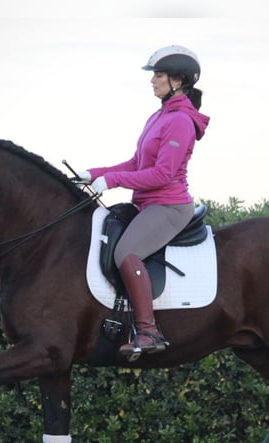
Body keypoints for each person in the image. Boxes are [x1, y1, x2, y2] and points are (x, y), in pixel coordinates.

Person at [78, 45, 210, 360]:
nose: (153, 81)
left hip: (169, 206)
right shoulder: (159, 115)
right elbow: (137, 162)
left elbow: (163, 174)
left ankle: (149, 331)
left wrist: (113, 181)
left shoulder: (179, 121)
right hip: (147, 204)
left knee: (126, 251)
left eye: (159, 76)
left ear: (179, 80)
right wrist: (94, 173)